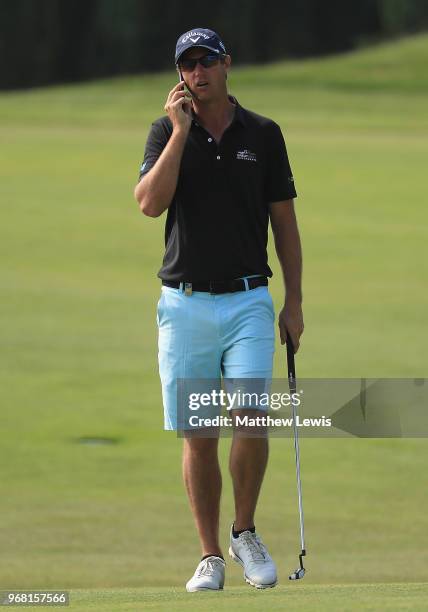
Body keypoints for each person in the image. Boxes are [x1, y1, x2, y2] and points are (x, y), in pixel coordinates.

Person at [134, 27, 304, 592]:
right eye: (188, 65)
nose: (197, 73)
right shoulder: (165, 130)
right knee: (199, 433)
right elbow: (149, 204)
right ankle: (210, 556)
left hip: (250, 300)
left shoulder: (264, 132)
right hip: (184, 305)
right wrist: (181, 132)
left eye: (207, 61)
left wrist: (294, 302)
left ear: (227, 63)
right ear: (180, 73)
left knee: (251, 421)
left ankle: (244, 531)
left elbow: (284, 221)